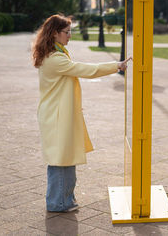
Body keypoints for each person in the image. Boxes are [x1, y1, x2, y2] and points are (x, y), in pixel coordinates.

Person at [32, 14, 130, 213]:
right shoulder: (55, 58)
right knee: (60, 160)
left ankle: (65, 200)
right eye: (67, 32)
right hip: (56, 117)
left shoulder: (56, 52)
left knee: (65, 158)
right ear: (54, 34)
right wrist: (115, 66)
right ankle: (57, 203)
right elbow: (85, 69)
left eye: (70, 32)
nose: (70, 36)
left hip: (59, 115)